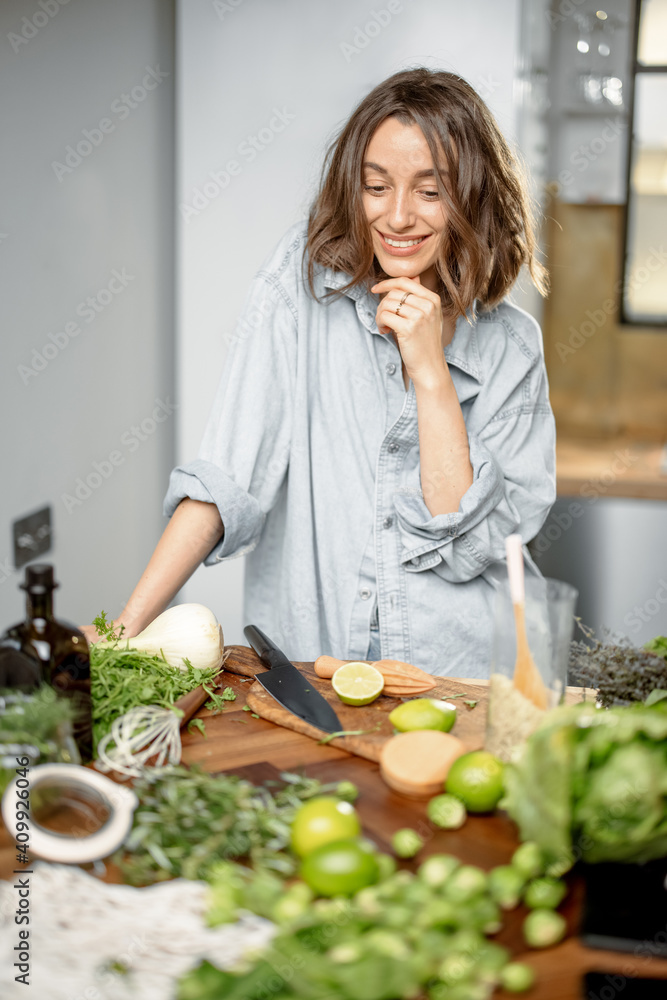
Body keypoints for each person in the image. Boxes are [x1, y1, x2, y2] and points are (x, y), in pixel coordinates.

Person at [83, 68, 555, 677]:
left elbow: (464, 549)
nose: (398, 216)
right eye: (376, 186)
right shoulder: (301, 287)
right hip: (315, 667)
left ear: (471, 196)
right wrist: (125, 631)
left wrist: (432, 374)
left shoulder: (513, 348)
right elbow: (228, 478)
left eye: (431, 192)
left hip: (461, 675)